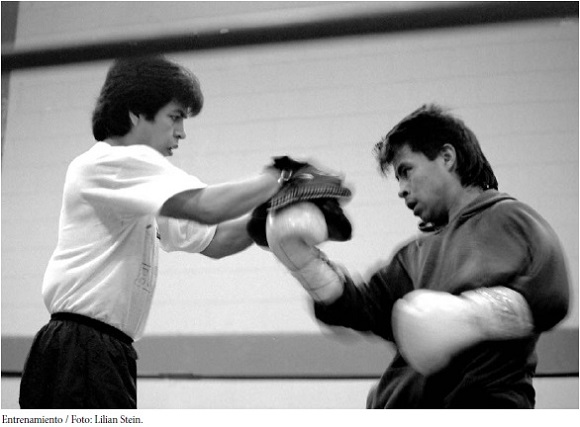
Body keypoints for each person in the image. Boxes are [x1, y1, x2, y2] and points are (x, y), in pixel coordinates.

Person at [19, 55, 295, 409]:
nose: (182, 132)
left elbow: (216, 239)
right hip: (80, 351)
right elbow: (208, 206)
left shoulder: (142, 186)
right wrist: (281, 178)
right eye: (175, 116)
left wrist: (267, 216)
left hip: (103, 351)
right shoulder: (107, 163)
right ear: (136, 113)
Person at [265, 104, 570, 408]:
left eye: (406, 171)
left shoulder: (506, 217)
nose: (401, 189)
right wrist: (302, 260)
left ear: (447, 157)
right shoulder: (414, 254)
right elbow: (361, 309)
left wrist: (468, 316)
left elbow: (551, 295)